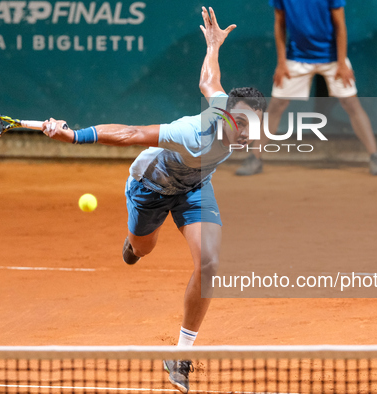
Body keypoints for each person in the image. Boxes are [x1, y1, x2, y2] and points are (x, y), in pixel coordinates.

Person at [41, 7, 266, 394]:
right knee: (142, 249)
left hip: (194, 188)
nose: (246, 133)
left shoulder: (224, 108)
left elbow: (208, 79)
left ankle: (181, 353)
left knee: (209, 264)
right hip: (150, 187)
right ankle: (133, 244)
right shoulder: (191, 133)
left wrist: (213, 45)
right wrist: (74, 136)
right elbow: (130, 133)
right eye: (240, 123)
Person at [235, 0, 377, 176]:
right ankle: (255, 158)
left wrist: (342, 63)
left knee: (351, 104)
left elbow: (340, 25)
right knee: (276, 106)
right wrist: (281, 63)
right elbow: (279, 24)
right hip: (296, 57)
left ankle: (375, 156)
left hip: (332, 58)